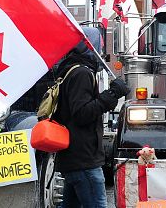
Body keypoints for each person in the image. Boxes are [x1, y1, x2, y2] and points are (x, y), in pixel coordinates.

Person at [53, 27, 130, 208]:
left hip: (75, 158)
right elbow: (82, 114)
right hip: (84, 160)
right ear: (90, 45)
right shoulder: (81, 73)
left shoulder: (70, 70)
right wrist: (112, 94)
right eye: (99, 46)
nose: (101, 51)